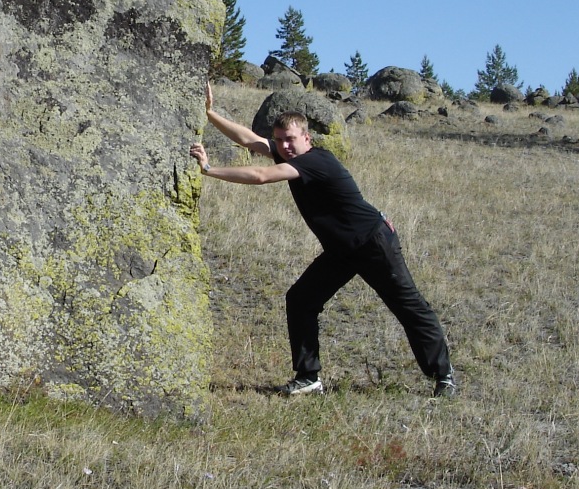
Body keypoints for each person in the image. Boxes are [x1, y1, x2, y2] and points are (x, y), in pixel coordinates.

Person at [190, 83, 457, 398]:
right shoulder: (291, 155)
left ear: (307, 138)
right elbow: (250, 139)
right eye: (279, 140)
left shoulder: (316, 161)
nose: (284, 146)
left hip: (372, 243)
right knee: (301, 300)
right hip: (340, 250)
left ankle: (444, 377)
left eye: (291, 139)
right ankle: (308, 377)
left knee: (408, 306)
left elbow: (261, 176)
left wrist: (210, 169)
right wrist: (210, 113)